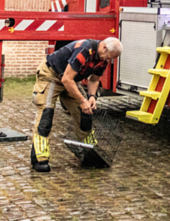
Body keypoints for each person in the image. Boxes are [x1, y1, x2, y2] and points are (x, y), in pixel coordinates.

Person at [30, 37, 123, 172]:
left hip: (70, 79)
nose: (108, 61)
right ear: (103, 48)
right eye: (108, 57)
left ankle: (90, 153)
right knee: (46, 114)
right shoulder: (84, 49)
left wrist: (91, 97)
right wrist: (82, 100)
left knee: (85, 114)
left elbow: (94, 79)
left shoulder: (103, 59)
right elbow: (66, 79)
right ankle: (40, 158)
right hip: (52, 75)